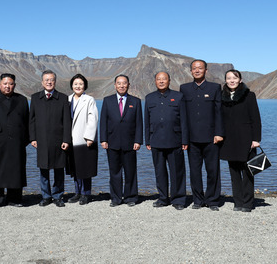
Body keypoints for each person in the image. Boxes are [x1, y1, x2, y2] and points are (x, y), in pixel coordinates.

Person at [0, 73, 30, 209]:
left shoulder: (22, 100)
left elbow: (27, 121)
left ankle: (14, 198)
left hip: (17, 141)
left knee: (16, 169)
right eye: (5, 84)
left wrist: (26, 139)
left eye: (11, 84)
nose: (8, 86)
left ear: (14, 85)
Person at [180, 59, 224, 211]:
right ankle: (198, 199)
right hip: (192, 139)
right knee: (194, 171)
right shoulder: (184, 89)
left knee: (213, 170)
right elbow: (183, 116)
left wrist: (219, 133)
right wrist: (184, 138)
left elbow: (219, 113)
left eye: (200, 68)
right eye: (194, 68)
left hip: (212, 138)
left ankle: (212, 200)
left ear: (206, 70)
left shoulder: (215, 88)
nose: (197, 70)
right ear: (190, 71)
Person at [144, 72, 189, 210]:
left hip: (175, 140)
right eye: (159, 79)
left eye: (164, 79)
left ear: (169, 81)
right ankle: (163, 198)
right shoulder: (149, 97)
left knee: (177, 171)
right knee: (160, 171)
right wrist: (147, 140)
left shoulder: (178, 96)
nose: (161, 81)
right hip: (156, 140)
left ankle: (178, 199)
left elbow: (184, 120)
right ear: (155, 81)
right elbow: (147, 120)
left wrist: (185, 139)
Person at [220, 69, 262, 212]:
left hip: (246, 139)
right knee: (234, 172)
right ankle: (238, 202)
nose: (232, 80)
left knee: (248, 171)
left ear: (240, 80)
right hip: (229, 140)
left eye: (235, 78)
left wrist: (256, 139)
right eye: (229, 78)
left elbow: (256, 119)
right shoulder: (221, 96)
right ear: (225, 80)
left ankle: (248, 203)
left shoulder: (249, 95)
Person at [29, 70, 72, 207]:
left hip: (59, 140)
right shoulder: (35, 98)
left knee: (59, 169)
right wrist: (33, 138)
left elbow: (67, 121)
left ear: (55, 82)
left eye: (51, 80)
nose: (49, 82)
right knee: (43, 169)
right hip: (41, 140)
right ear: (42, 82)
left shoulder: (63, 98)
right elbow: (32, 120)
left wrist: (66, 140)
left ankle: (58, 196)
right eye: (46, 80)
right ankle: (46, 196)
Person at [99, 74, 143, 207]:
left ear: (129, 85)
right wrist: (103, 139)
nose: (122, 86)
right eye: (119, 83)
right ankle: (116, 198)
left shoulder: (135, 101)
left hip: (130, 143)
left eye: (124, 83)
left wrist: (138, 140)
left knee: (130, 172)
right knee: (114, 172)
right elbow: (103, 122)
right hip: (112, 142)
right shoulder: (107, 100)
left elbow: (139, 123)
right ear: (115, 85)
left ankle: (131, 197)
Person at [67, 74, 98, 205]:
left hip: (84, 139)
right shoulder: (68, 99)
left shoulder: (89, 99)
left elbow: (93, 118)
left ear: (84, 85)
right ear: (72, 86)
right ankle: (77, 192)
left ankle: (86, 193)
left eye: (80, 84)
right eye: (75, 84)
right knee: (75, 168)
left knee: (86, 168)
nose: (78, 86)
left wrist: (89, 137)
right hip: (71, 139)